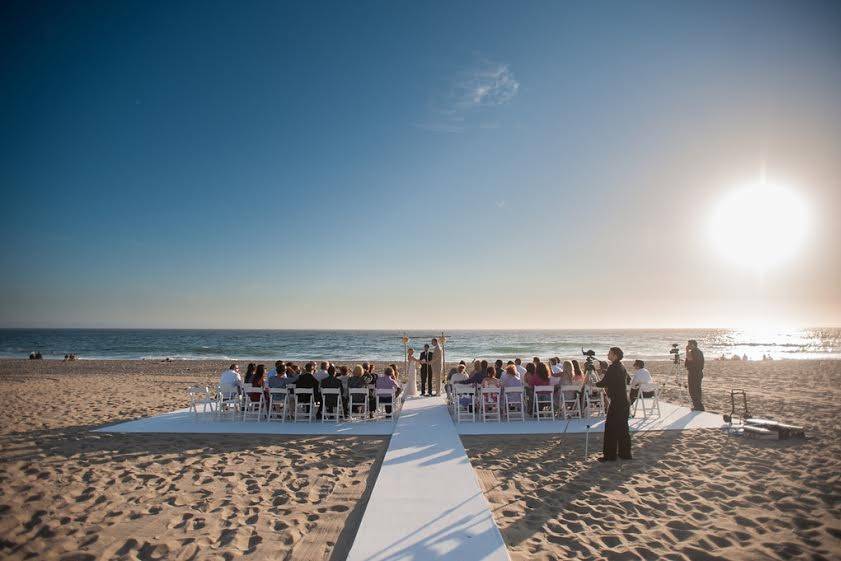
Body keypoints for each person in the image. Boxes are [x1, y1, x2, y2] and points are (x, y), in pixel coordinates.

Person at [596, 347, 631, 462]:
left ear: (615, 355)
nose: (607, 354)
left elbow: (604, 382)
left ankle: (610, 455)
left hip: (617, 402)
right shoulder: (621, 366)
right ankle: (625, 454)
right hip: (624, 401)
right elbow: (625, 379)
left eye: (610, 353)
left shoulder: (613, 367)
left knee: (610, 428)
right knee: (623, 428)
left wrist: (594, 383)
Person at [685, 340, 705, 411]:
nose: (688, 346)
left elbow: (690, 359)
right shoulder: (699, 352)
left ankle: (698, 406)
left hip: (694, 373)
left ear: (693, 345)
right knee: (697, 389)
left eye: (689, 345)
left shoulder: (694, 352)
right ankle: (699, 405)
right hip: (698, 373)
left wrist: (687, 351)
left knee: (693, 390)